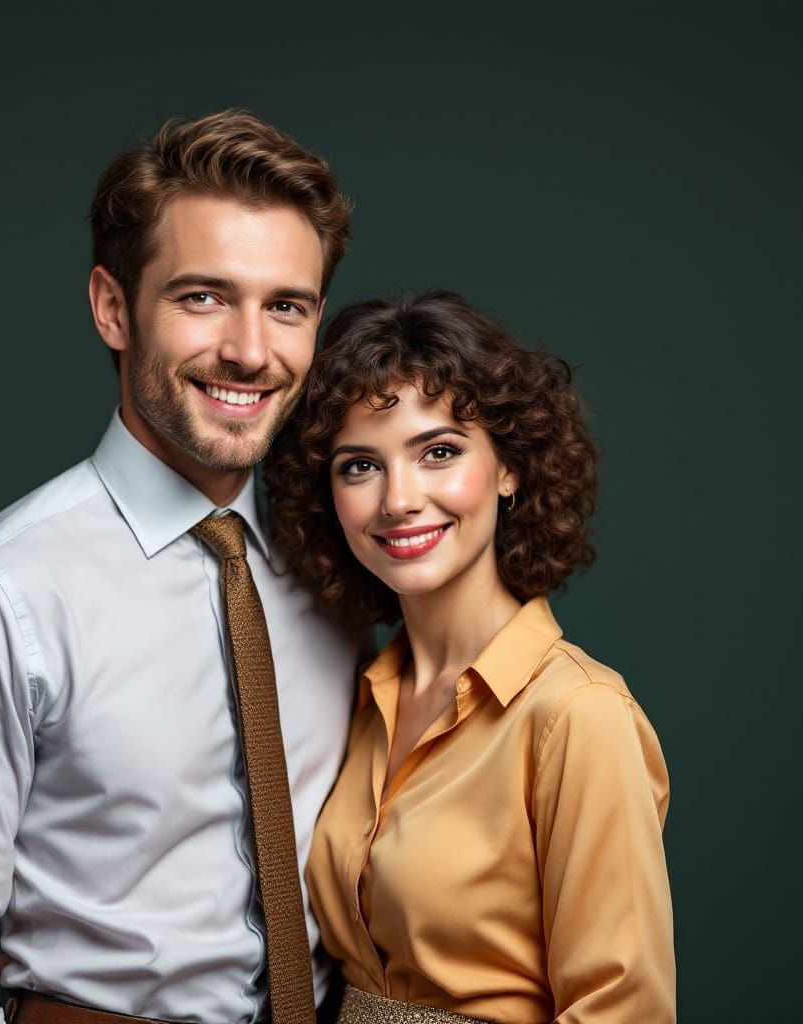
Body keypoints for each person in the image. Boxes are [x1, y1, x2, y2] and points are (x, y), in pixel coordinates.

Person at [0, 110, 362, 1024]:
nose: (251, 351)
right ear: (111, 307)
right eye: (202, 297)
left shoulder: (341, 567)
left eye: (285, 305)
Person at [265, 291, 676, 1023]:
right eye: (359, 466)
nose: (399, 499)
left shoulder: (577, 716)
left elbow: (622, 1011)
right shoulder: (363, 697)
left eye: (439, 452)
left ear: (509, 468)